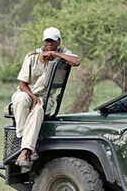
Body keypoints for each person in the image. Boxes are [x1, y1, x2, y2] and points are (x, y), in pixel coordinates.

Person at [10, 27, 80, 167]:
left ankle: (24, 151)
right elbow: (22, 84)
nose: (49, 44)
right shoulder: (32, 56)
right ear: (43, 41)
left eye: (52, 41)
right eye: (47, 41)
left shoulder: (62, 53)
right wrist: (32, 97)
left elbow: (76, 61)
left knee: (38, 108)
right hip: (28, 92)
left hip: (46, 97)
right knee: (20, 99)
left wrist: (55, 54)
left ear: (58, 42)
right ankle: (30, 146)